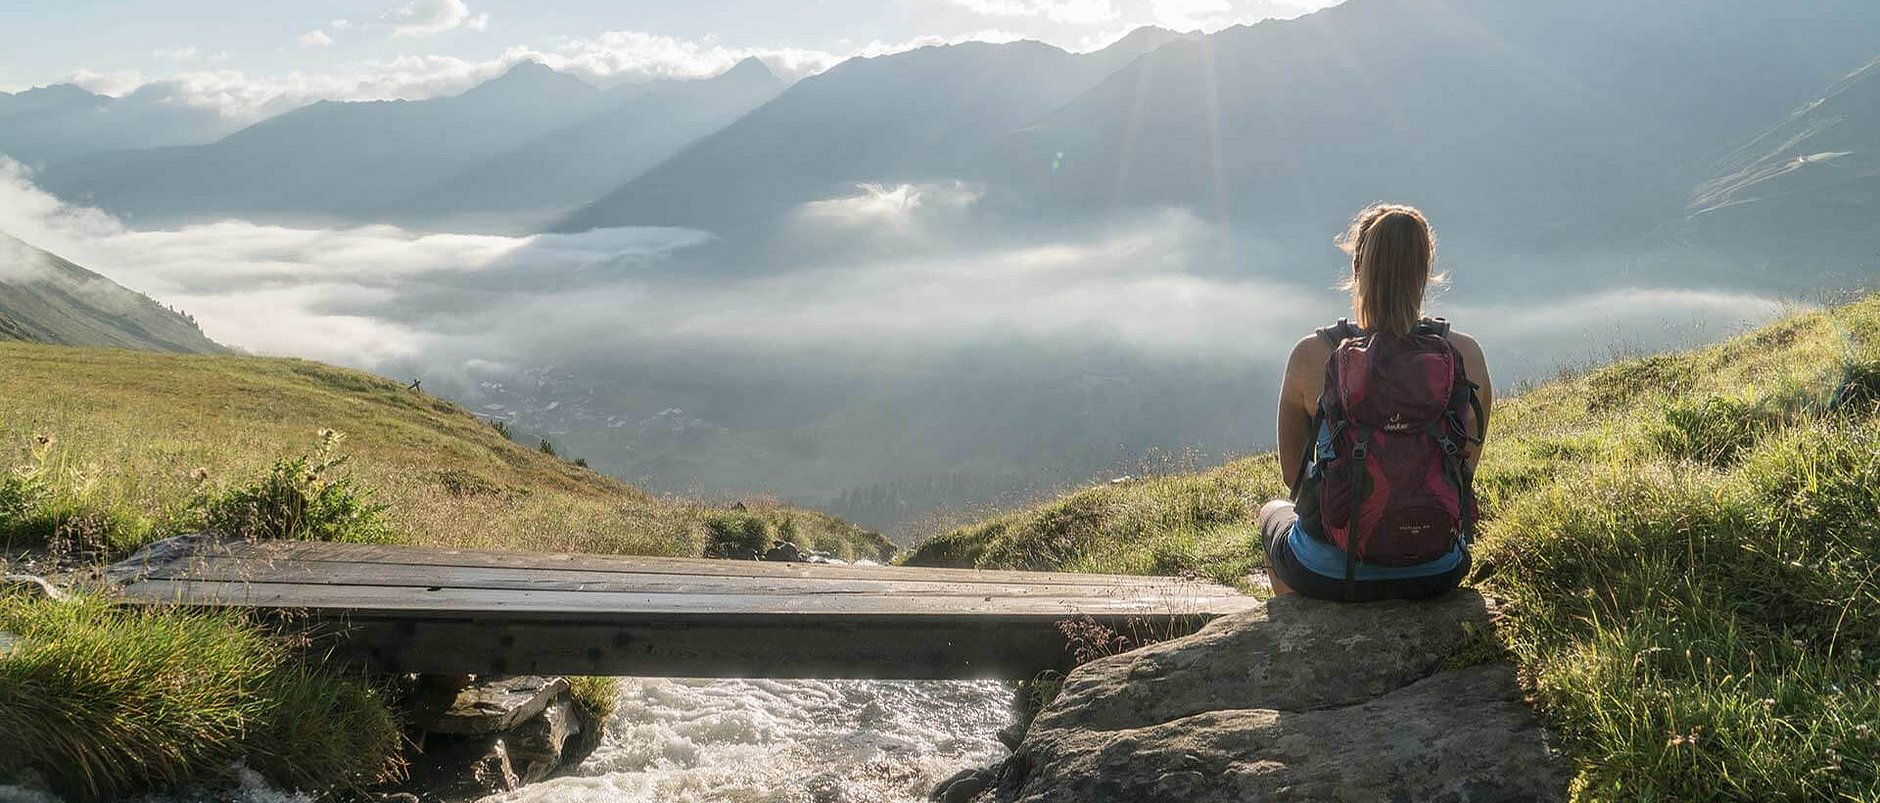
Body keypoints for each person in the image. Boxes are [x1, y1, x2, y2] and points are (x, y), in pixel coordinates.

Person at [1259, 204, 1494, 601]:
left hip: (1333, 570)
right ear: (1425, 271)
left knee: (1272, 511)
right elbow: (1464, 467)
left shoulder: (1312, 355)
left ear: (1357, 271)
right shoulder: (1464, 355)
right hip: (1438, 565)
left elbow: (1293, 476)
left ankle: (1302, 627)